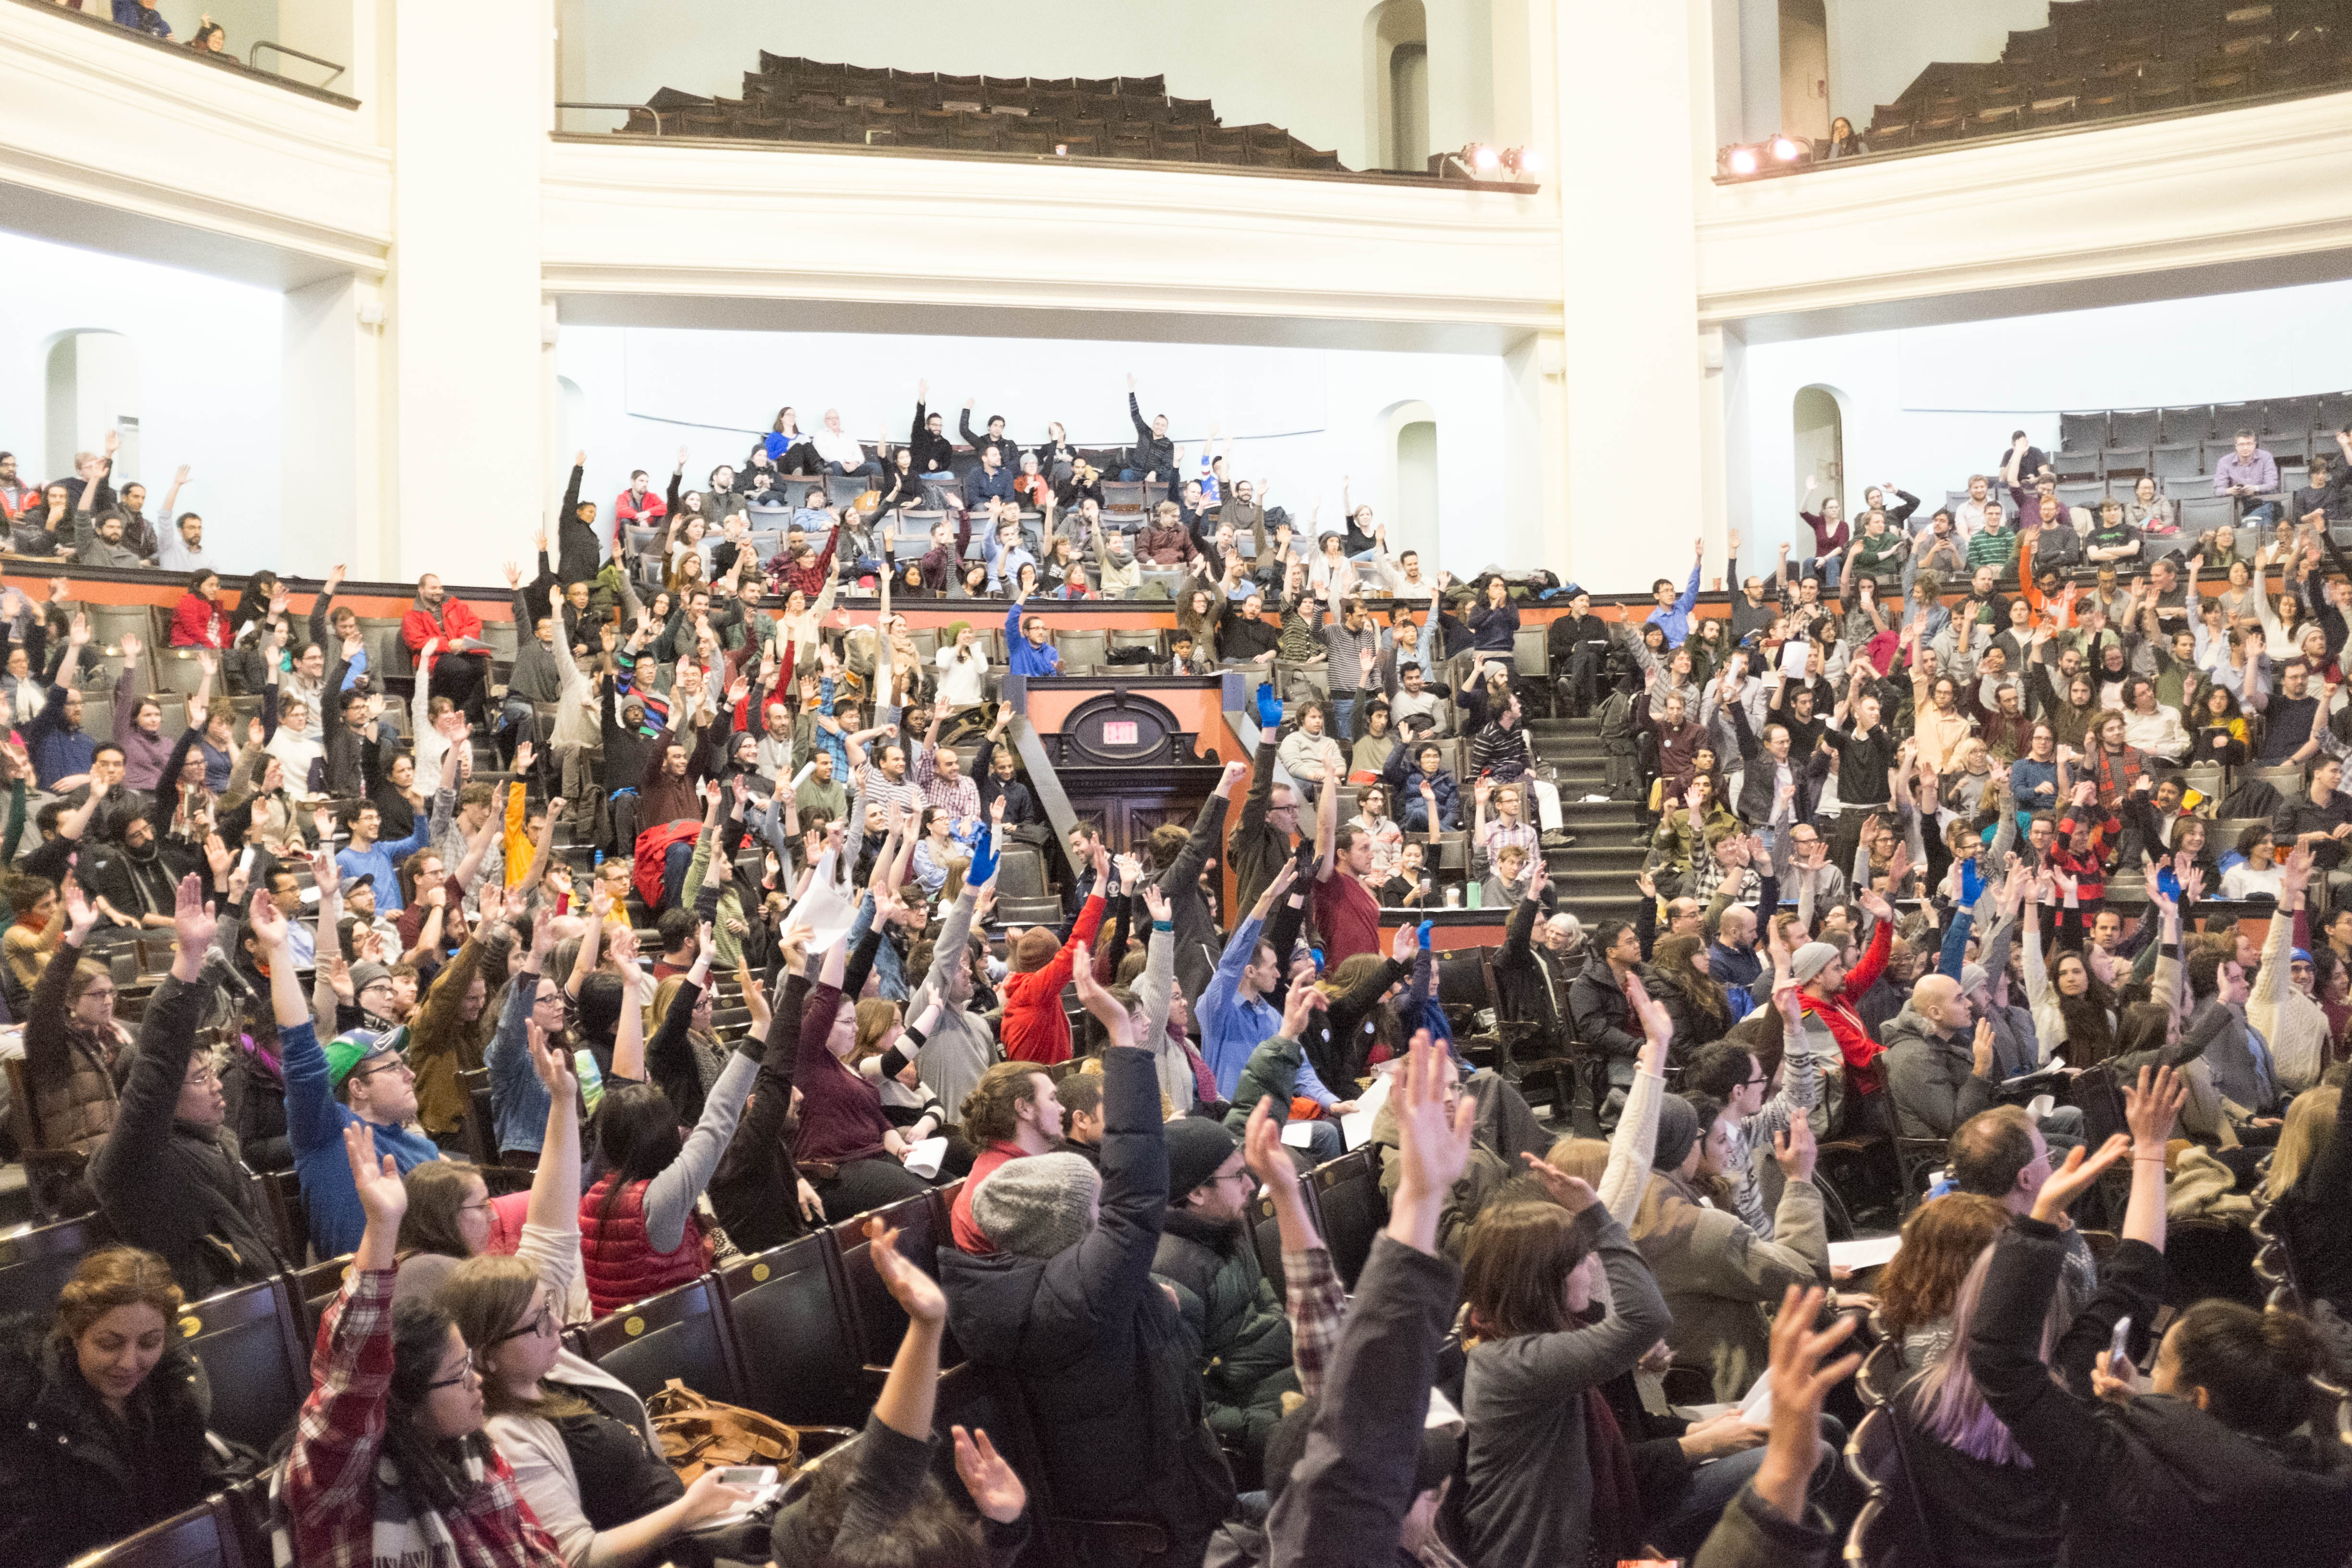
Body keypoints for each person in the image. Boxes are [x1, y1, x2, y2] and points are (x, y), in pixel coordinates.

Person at [938, 951, 1236, 1565]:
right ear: (1069, 1230)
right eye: (1097, 1208)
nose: (1107, 1216)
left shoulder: (1044, 1286)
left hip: (1155, 1476)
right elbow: (1138, 1194)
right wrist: (1123, 1041)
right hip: (1149, 1515)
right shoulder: (1078, 1294)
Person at [0, 1245, 248, 1568]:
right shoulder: (24, 1411)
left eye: (149, 1342)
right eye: (109, 1344)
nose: (129, 1363)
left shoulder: (173, 1390)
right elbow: (27, 1544)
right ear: (76, 1333)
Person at [1152, 1117, 1298, 1476]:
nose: (1252, 1185)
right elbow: (1191, 1407)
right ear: (1196, 1193)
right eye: (1238, 1176)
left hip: (1278, 1375)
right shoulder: (1171, 1275)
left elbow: (1265, 1299)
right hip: (1248, 1425)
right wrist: (1272, 1432)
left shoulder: (1223, 1228)